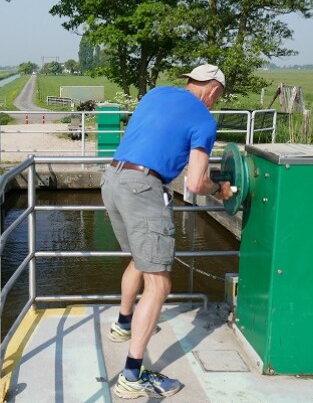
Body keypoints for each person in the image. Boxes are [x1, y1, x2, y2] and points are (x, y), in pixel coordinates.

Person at [101, 63, 234, 399]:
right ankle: (132, 376)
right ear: (214, 89)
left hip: (112, 179)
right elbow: (194, 182)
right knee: (159, 281)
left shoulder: (157, 93)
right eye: (218, 95)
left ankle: (123, 324)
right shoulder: (204, 119)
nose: (216, 101)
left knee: (139, 260)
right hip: (143, 187)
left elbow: (152, 136)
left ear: (190, 82)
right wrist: (219, 190)